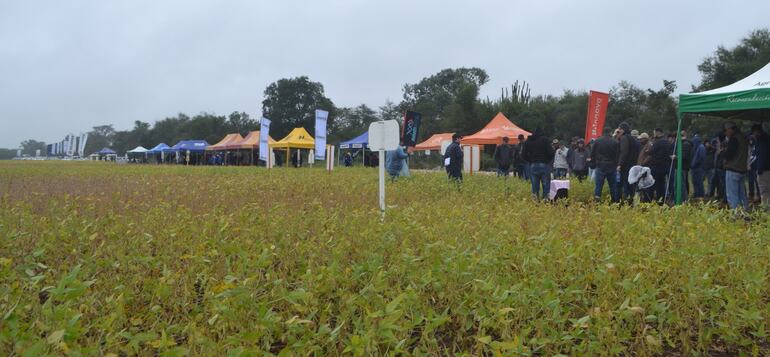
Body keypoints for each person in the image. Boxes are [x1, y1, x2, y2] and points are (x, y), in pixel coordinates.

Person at [722, 122, 749, 211]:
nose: (725, 133)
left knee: (732, 195)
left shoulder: (734, 139)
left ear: (730, 129)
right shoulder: (743, 138)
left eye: (725, 130)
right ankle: (745, 212)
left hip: (733, 169)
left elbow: (729, 154)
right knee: (741, 194)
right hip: (741, 170)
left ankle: (736, 215)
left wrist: (722, 152)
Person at [520, 127, 554, 200]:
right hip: (544, 164)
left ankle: (535, 201)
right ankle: (545, 200)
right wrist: (547, 161)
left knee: (534, 186)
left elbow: (523, 154)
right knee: (546, 185)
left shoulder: (528, 141)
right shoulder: (545, 140)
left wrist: (530, 161)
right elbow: (551, 153)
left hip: (533, 165)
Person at [590, 127, 620, 202]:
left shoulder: (597, 141)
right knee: (613, 186)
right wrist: (616, 164)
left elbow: (592, 153)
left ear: (603, 132)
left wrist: (593, 164)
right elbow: (617, 155)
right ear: (610, 132)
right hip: (611, 166)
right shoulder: (615, 142)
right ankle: (614, 202)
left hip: (600, 165)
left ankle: (597, 201)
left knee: (599, 186)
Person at [617, 122, 640, 204]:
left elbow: (624, 152)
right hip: (632, 165)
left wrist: (619, 164)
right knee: (631, 185)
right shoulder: (632, 138)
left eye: (619, 129)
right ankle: (631, 201)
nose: (618, 131)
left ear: (623, 130)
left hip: (625, 166)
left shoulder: (624, 138)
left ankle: (626, 203)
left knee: (625, 185)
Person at [648, 128, 671, 204]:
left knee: (652, 184)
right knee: (661, 185)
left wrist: (647, 150)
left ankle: (649, 200)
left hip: (656, 166)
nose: (654, 134)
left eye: (654, 133)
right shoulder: (667, 142)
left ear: (658, 133)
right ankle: (661, 201)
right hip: (664, 166)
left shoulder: (658, 142)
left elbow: (651, 151)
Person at [751, 123, 769, 211]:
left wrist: (759, 170)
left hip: (764, 170)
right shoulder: (767, 138)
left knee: (764, 192)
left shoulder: (762, 141)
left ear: (756, 132)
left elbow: (761, 155)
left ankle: (766, 213)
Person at [689, 135, 706, 199]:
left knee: (699, 181)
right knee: (695, 181)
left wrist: (695, 164)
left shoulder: (701, 147)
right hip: (694, 168)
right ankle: (696, 193)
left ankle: (700, 194)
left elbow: (701, 158)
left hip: (698, 168)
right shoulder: (697, 147)